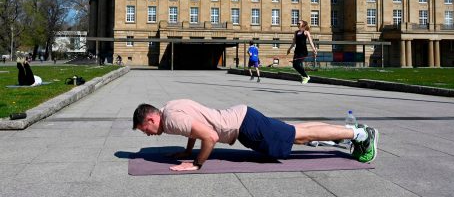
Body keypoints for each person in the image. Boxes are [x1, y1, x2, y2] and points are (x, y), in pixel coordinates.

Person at [132, 100, 378, 171]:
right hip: (244, 118)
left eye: (146, 130)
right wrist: (187, 150)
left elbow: (209, 136)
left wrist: (196, 164)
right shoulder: (170, 107)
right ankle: (352, 134)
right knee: (298, 132)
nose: (149, 136)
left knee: (299, 135)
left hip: (246, 126)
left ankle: (359, 134)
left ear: (151, 119)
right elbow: (194, 126)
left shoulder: (171, 119)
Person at [286, 20, 317, 84]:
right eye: (297, 23)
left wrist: (314, 49)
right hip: (297, 51)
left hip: (303, 52)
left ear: (303, 24)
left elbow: (310, 42)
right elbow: (294, 42)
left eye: (299, 23)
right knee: (294, 65)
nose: (297, 24)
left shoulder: (306, 32)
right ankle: (305, 76)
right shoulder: (296, 32)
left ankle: (305, 76)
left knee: (297, 64)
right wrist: (289, 49)